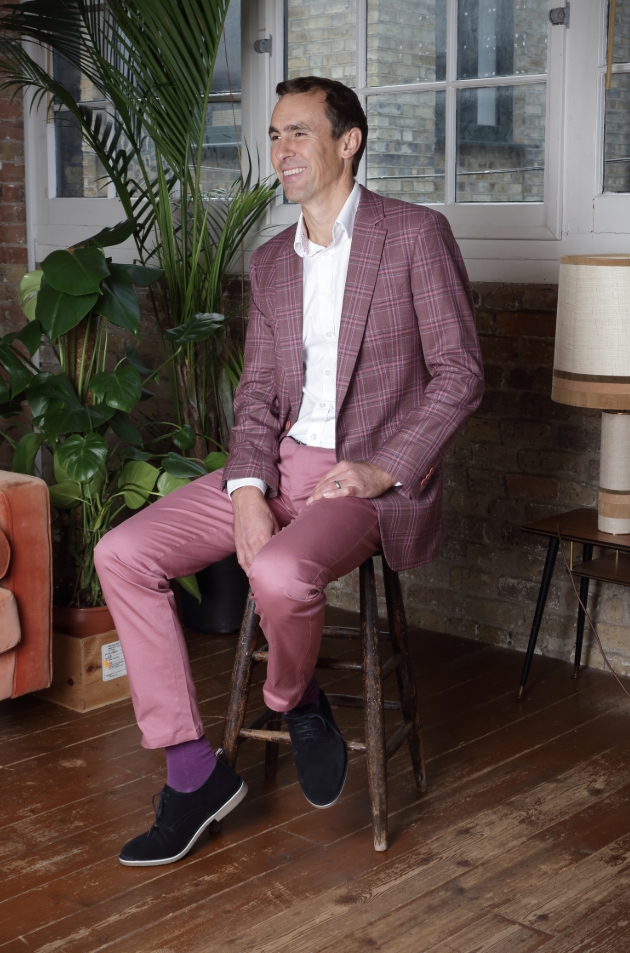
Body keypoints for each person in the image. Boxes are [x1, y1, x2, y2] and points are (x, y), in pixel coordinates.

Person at [94, 76, 484, 867]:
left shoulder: (413, 235)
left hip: (361, 479)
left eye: (300, 132)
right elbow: (260, 397)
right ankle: (191, 770)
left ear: (349, 142)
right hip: (273, 468)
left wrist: (384, 468)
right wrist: (244, 490)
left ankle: (293, 698)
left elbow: (459, 373)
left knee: (277, 574)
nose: (282, 150)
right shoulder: (272, 261)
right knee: (121, 553)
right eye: (274, 134)